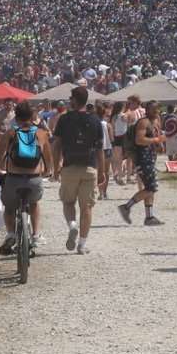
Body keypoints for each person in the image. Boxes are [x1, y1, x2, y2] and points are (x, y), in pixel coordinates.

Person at [0, 101, 53, 256]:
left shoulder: (10, 133)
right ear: (32, 116)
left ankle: (11, 234)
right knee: (34, 203)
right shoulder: (41, 134)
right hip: (34, 179)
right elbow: (48, 158)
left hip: (13, 178)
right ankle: (36, 234)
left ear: (16, 117)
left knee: (9, 207)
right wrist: (48, 171)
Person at [52, 86, 105, 254]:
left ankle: (72, 225)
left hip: (69, 166)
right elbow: (100, 149)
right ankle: (82, 245)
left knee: (68, 202)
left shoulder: (64, 119)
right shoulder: (96, 120)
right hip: (89, 167)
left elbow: (56, 145)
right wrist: (102, 171)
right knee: (87, 207)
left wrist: (55, 167)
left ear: (74, 100)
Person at [117, 101, 166, 226]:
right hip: (142, 158)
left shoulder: (155, 121)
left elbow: (155, 136)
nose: (156, 112)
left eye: (157, 110)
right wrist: (156, 140)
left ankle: (149, 217)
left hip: (149, 157)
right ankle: (126, 207)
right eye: (153, 110)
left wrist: (158, 144)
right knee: (151, 187)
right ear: (147, 110)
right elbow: (139, 140)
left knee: (149, 187)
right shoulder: (143, 122)